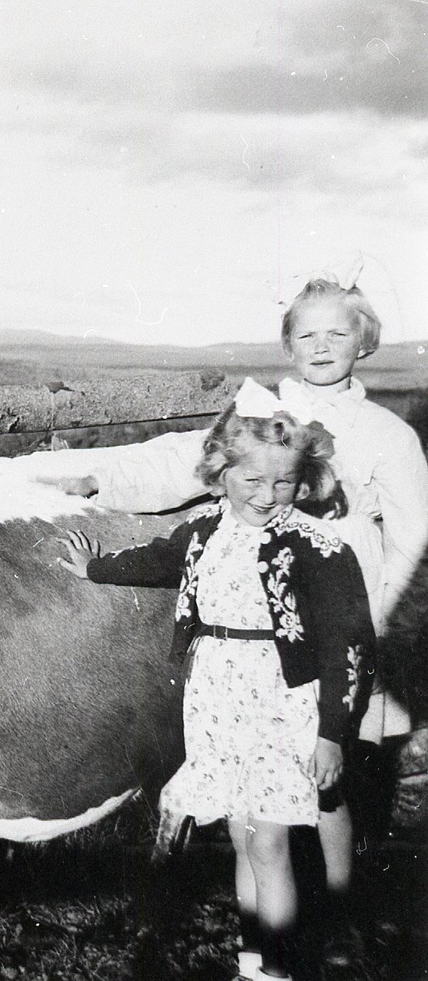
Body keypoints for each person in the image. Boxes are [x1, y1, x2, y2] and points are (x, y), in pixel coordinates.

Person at [25, 262, 428, 955]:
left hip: (341, 606)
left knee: (329, 781)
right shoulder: (259, 411)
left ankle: (337, 912)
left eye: (340, 331)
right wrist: (101, 477)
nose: (323, 345)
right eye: (307, 334)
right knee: (265, 794)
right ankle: (272, 931)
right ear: (287, 343)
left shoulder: (387, 433)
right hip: (251, 632)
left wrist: (372, 619)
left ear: (366, 340)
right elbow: (185, 458)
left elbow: (414, 532)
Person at [59, 385, 375, 980]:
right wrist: (95, 568)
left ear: (301, 481)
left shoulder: (319, 549)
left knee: (269, 841)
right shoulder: (204, 530)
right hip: (216, 701)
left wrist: (333, 732)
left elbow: (349, 647)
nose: (267, 496)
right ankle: (254, 963)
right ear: (219, 472)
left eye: (282, 482)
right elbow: (156, 561)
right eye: (250, 481)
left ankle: (278, 969)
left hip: (283, 705)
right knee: (243, 834)